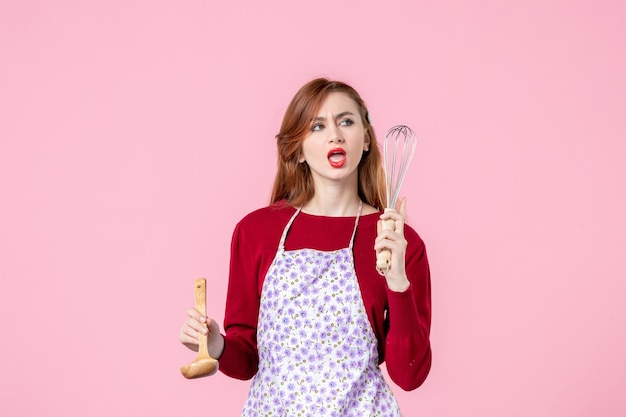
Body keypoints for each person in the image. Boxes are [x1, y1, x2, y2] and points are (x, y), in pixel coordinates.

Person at [179, 78, 432, 416]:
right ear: (297, 149)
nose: (335, 135)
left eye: (346, 121)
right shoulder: (255, 232)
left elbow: (410, 374)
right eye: (317, 125)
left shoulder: (399, 241)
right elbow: (247, 359)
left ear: (367, 139)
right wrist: (216, 345)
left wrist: (398, 279)